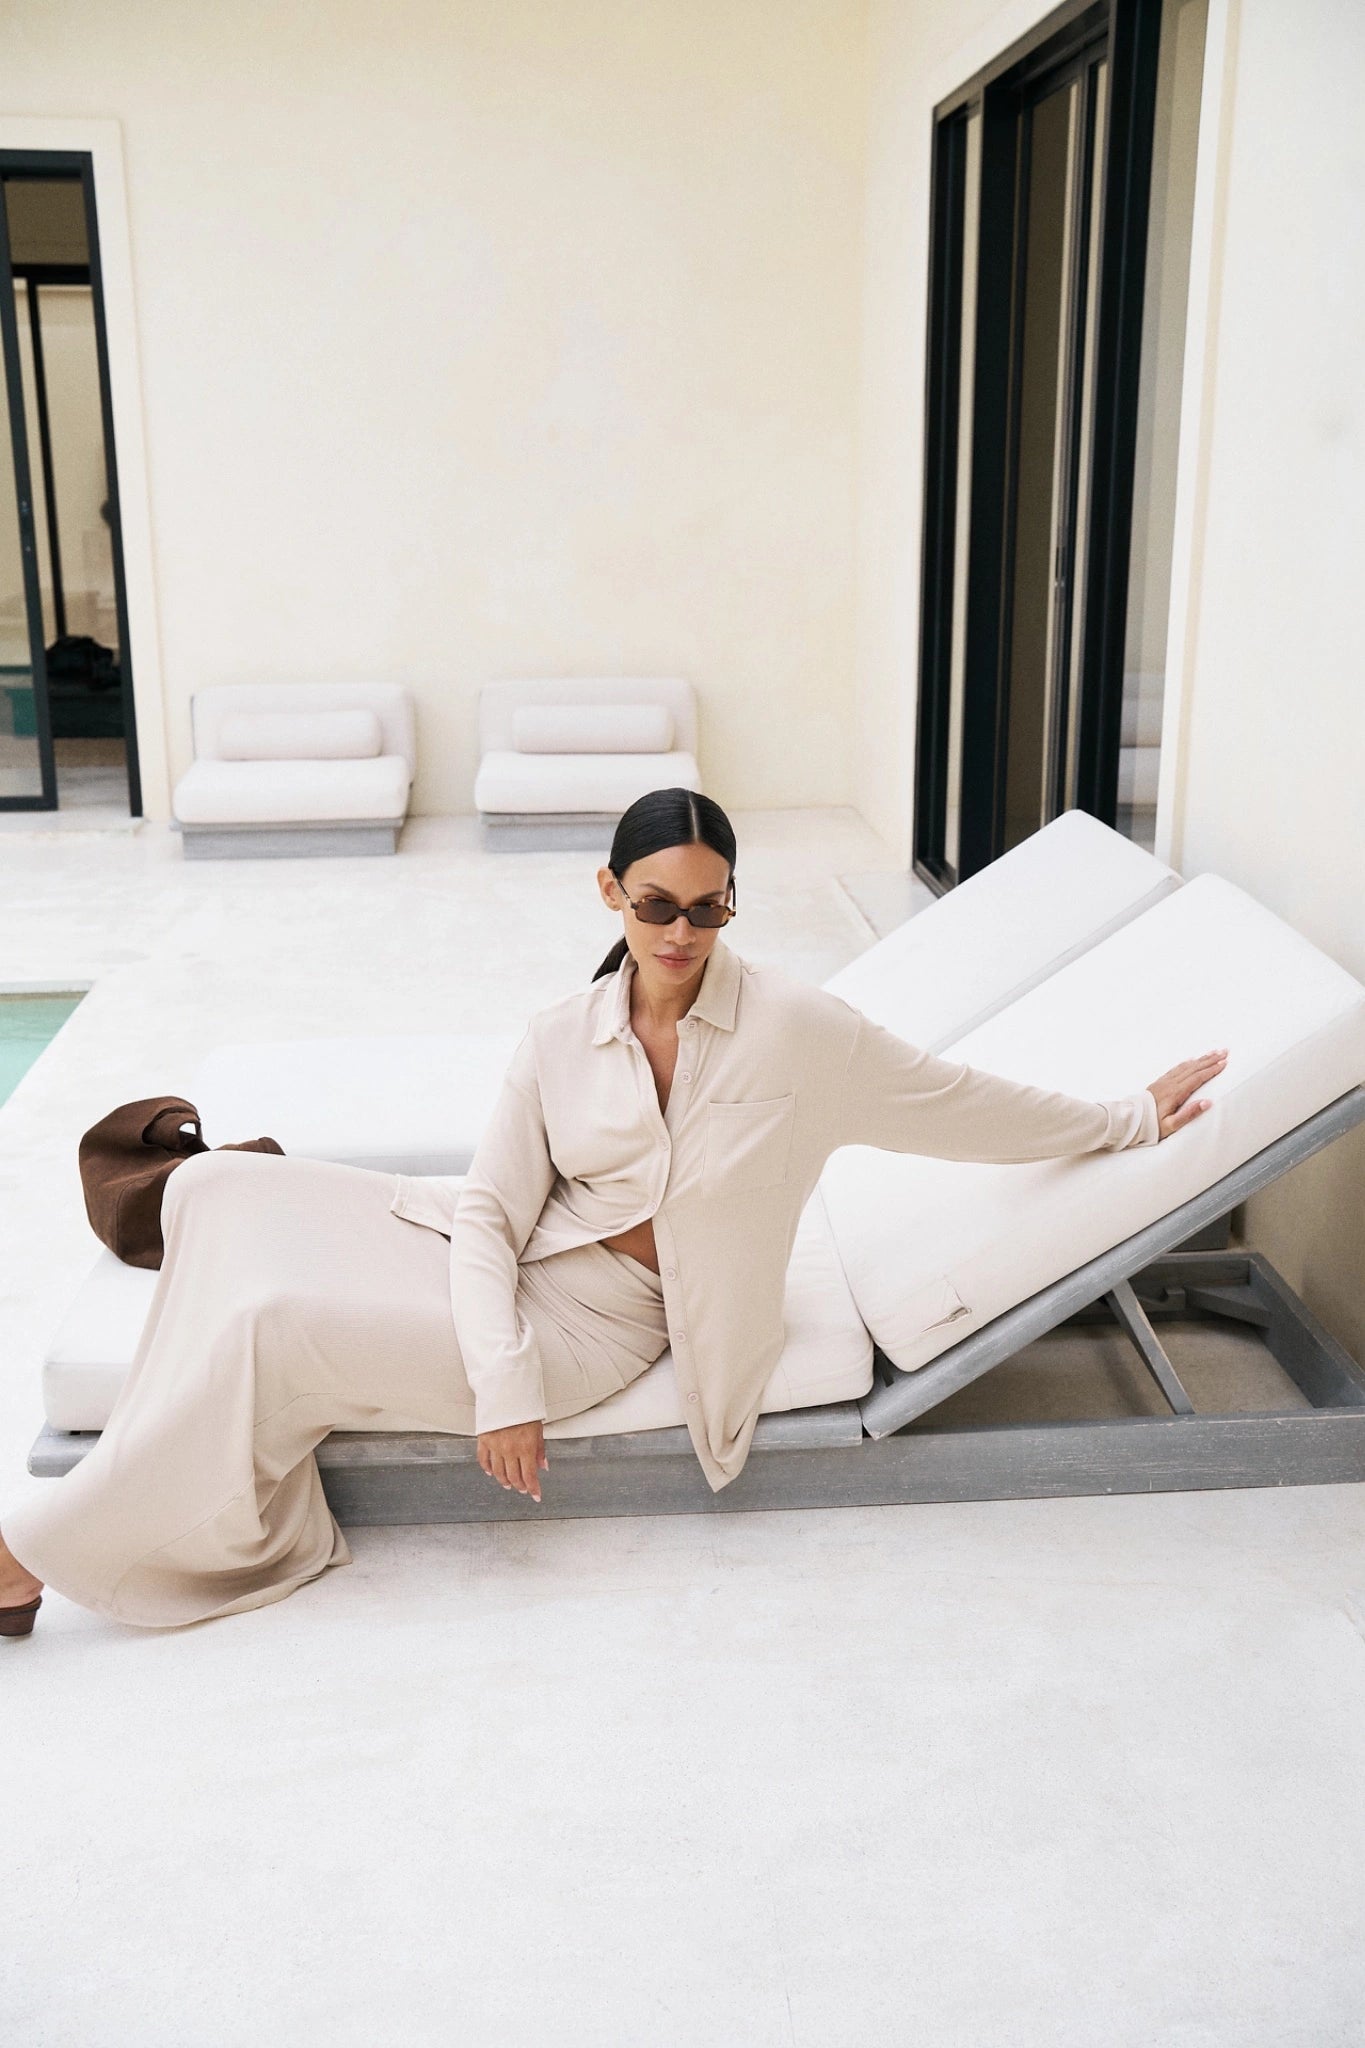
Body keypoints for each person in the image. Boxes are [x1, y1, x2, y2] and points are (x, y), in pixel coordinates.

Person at [0, 787, 1227, 1636]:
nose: (683, 932)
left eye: (710, 906)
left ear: (734, 902)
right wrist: (497, 1370)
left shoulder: (799, 1031)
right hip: (497, 1259)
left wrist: (1127, 1115)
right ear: (611, 893)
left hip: (600, 1324)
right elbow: (491, 1215)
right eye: (657, 905)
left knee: (270, 1323)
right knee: (220, 1186)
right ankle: (147, 1457)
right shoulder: (560, 1035)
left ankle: (28, 1553)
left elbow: (957, 1103)